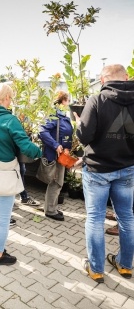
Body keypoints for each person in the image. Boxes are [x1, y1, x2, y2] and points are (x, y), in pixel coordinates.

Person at [74, 64, 134, 283]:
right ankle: (125, 265)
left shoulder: (97, 100)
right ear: (126, 77)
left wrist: (79, 123)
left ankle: (97, 269)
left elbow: (85, 136)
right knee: (127, 218)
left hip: (98, 170)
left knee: (95, 219)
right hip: (127, 169)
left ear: (103, 80)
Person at [0, 83, 42, 266]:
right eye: (10, 97)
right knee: (4, 217)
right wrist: (41, 153)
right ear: (6, 98)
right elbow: (26, 146)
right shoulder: (9, 120)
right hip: (3, 170)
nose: (11, 101)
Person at [39, 91, 73, 222]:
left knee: (57, 182)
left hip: (62, 155)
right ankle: (50, 211)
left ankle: (51, 207)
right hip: (54, 155)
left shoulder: (63, 116)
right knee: (56, 182)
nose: (69, 103)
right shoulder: (54, 116)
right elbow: (42, 130)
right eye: (67, 100)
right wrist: (55, 145)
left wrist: (66, 147)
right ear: (63, 101)